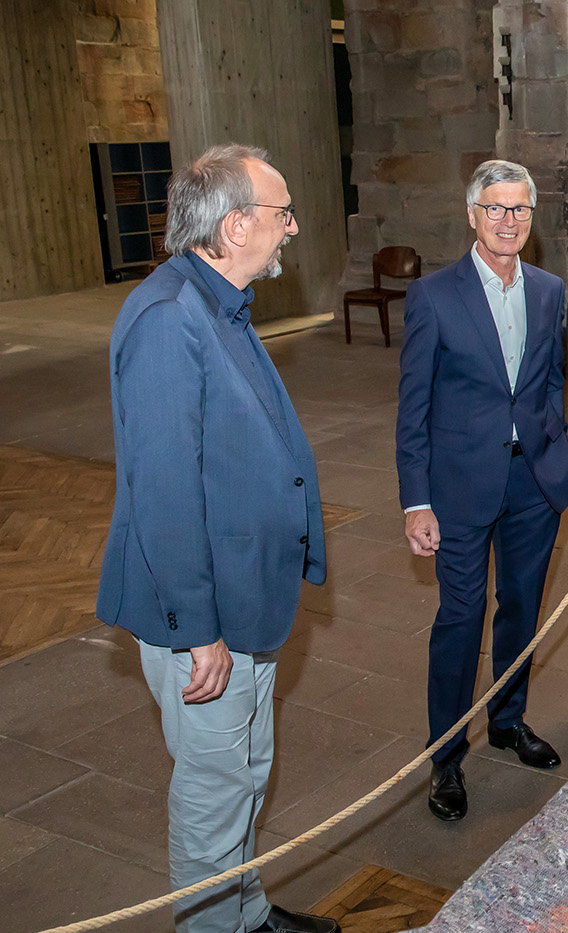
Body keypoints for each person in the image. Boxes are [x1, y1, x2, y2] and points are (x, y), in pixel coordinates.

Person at [96, 144, 337, 933]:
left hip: (245, 593)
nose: (291, 228)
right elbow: (164, 493)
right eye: (282, 213)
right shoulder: (171, 318)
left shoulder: (218, 300)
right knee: (213, 793)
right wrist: (198, 629)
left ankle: (246, 912)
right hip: (203, 615)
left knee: (247, 772)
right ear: (236, 225)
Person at [396, 160, 568, 823]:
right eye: (496, 208)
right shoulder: (433, 296)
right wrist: (416, 499)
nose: (509, 220)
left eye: (520, 209)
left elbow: (550, 378)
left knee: (522, 608)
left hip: (533, 481)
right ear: (472, 214)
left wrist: (553, 442)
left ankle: (507, 719)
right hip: (459, 486)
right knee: (461, 617)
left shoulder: (550, 289)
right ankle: (446, 755)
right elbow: (413, 406)